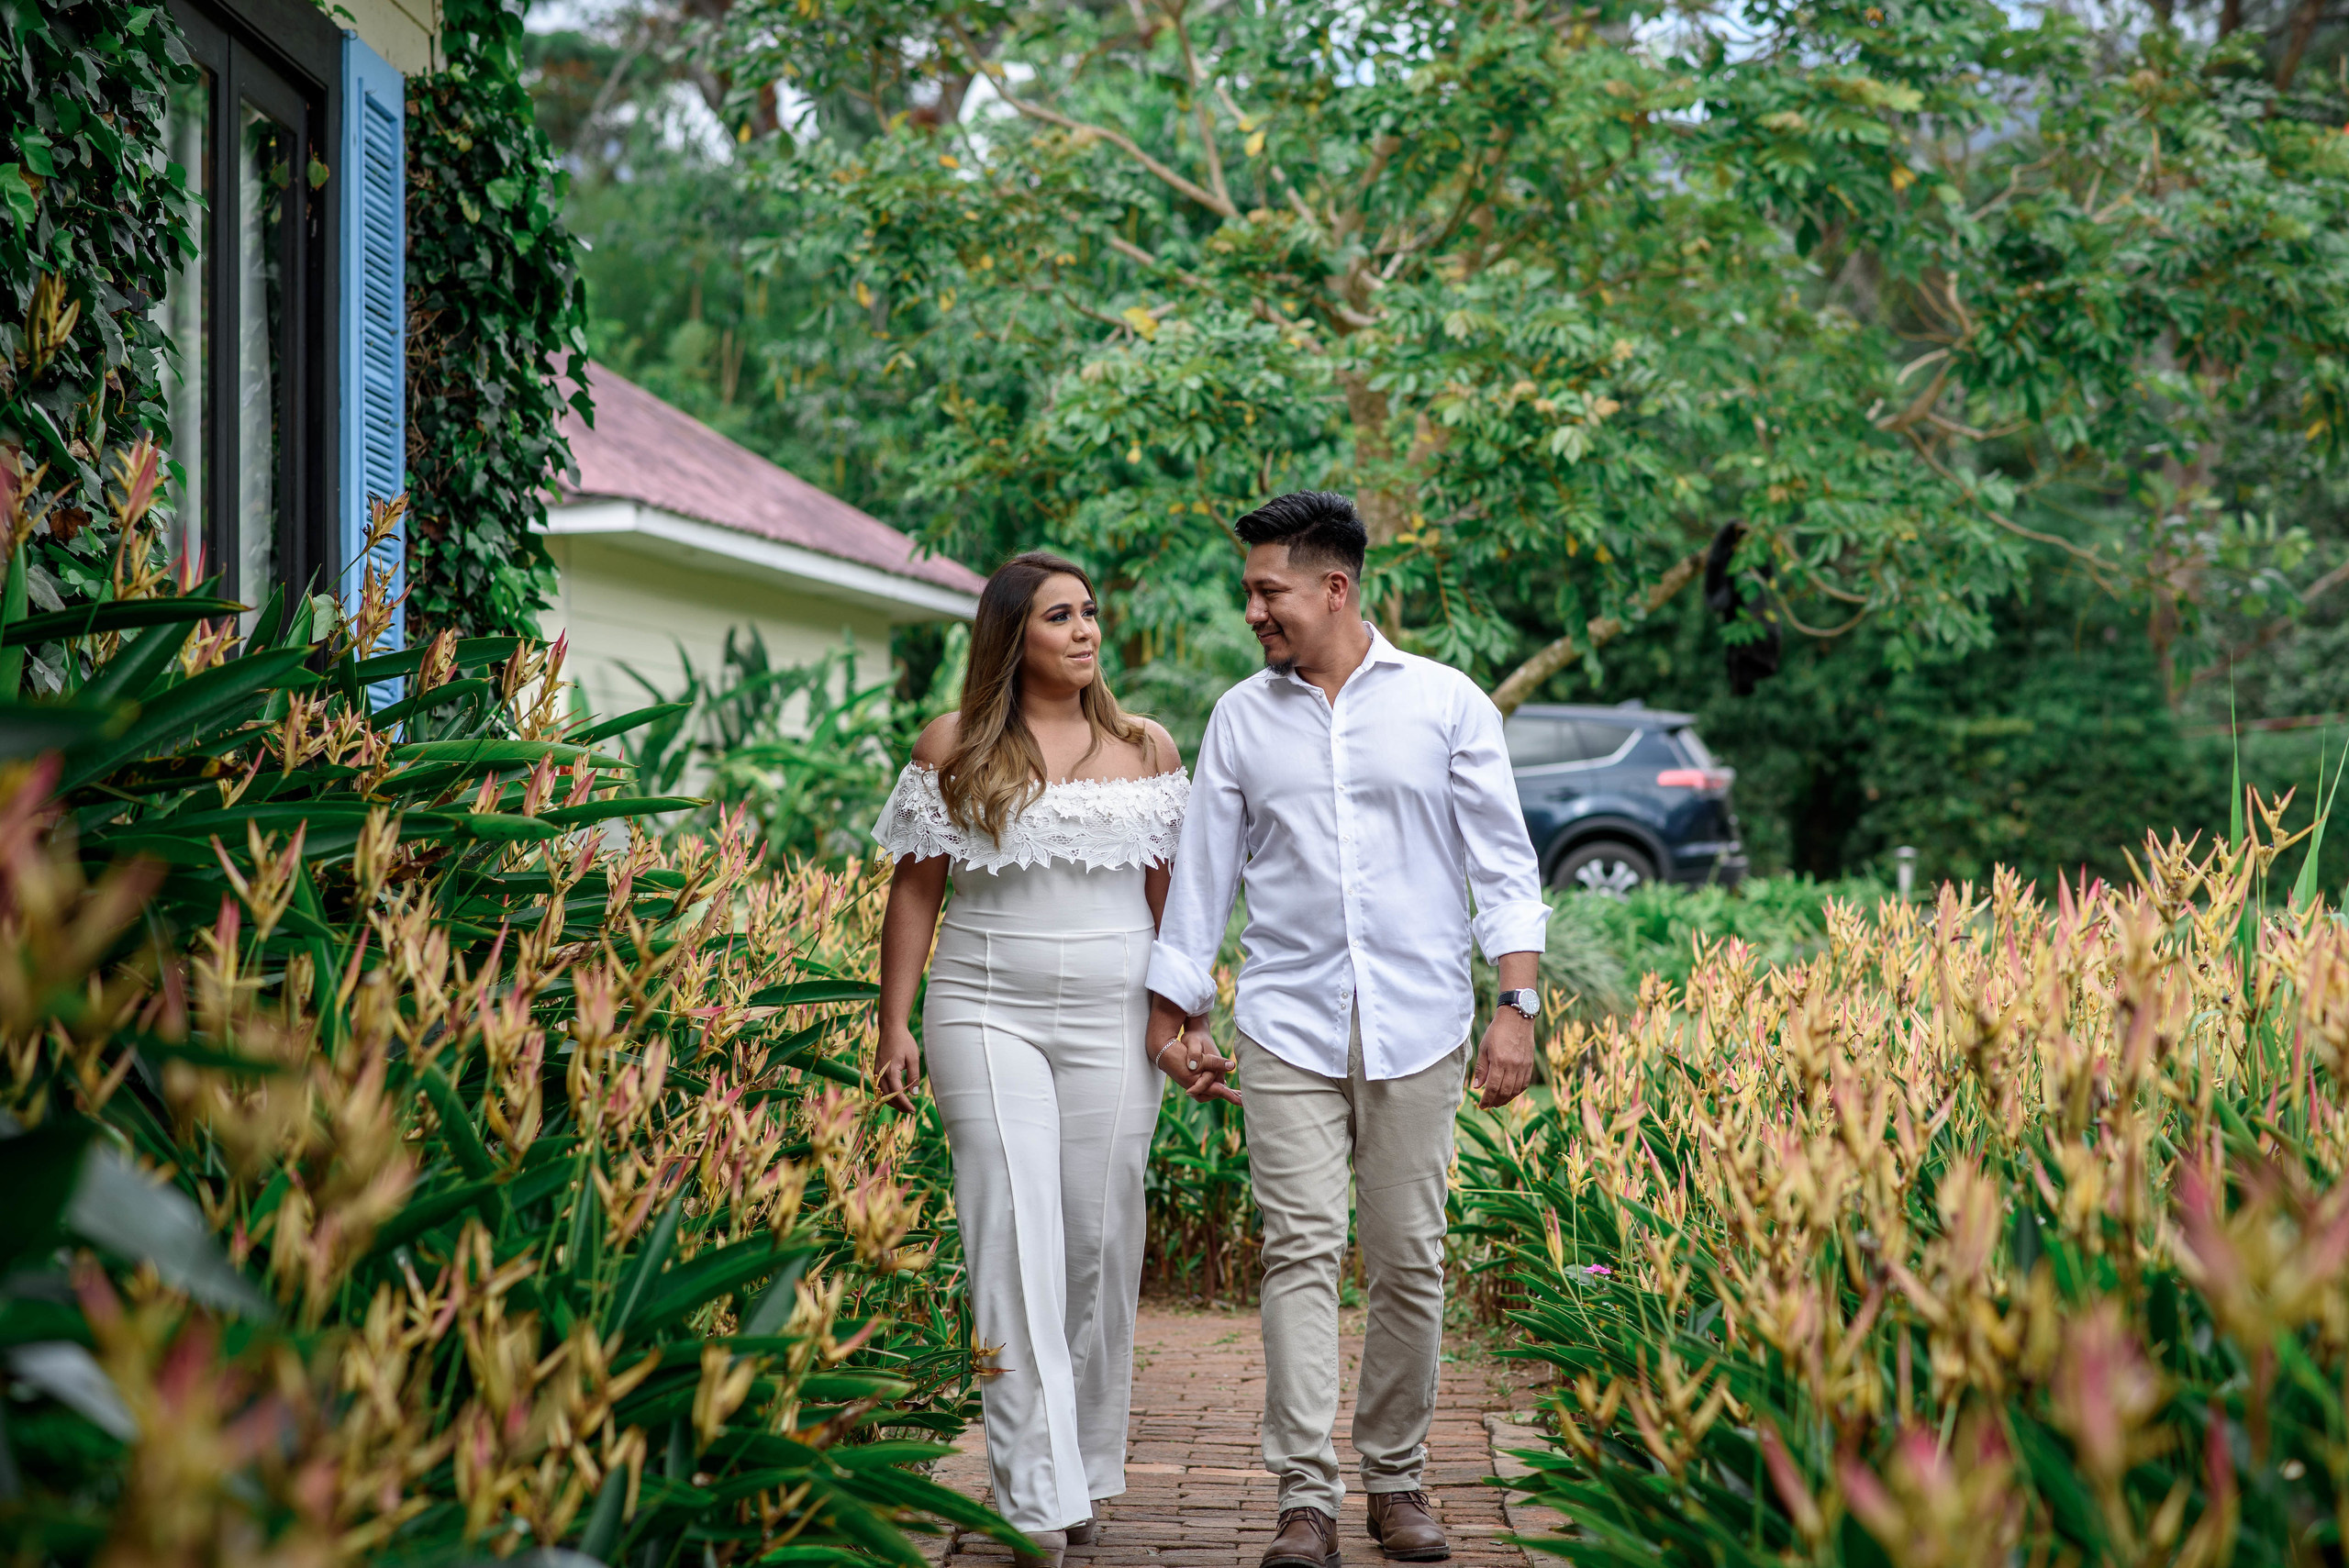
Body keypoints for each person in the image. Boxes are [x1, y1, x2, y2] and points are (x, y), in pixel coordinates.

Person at [1145, 492, 1549, 1567]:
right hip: (1285, 1019)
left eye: (1267, 591)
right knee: (1299, 1249)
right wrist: (1174, 1012)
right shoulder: (1240, 715)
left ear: (1334, 586)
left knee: (1410, 1257)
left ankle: (1397, 1477)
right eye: (1248, 593)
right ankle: (1303, 1497)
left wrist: (1515, 1008)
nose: (1253, 612)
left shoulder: (1448, 703)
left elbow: (1504, 866)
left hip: (1419, 1021)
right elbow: (1203, 876)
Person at [871, 551, 1197, 1568]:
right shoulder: (953, 744)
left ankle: (1084, 1462)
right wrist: (895, 1023)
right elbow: (916, 890)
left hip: (1112, 1012)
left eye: (1091, 612)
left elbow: (1172, 899)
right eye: (1061, 615)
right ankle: (1030, 1490)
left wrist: (1178, 1015)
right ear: (1015, 634)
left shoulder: (1144, 747)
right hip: (980, 1005)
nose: (1086, 629)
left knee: (1097, 1242)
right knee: (1008, 1234)